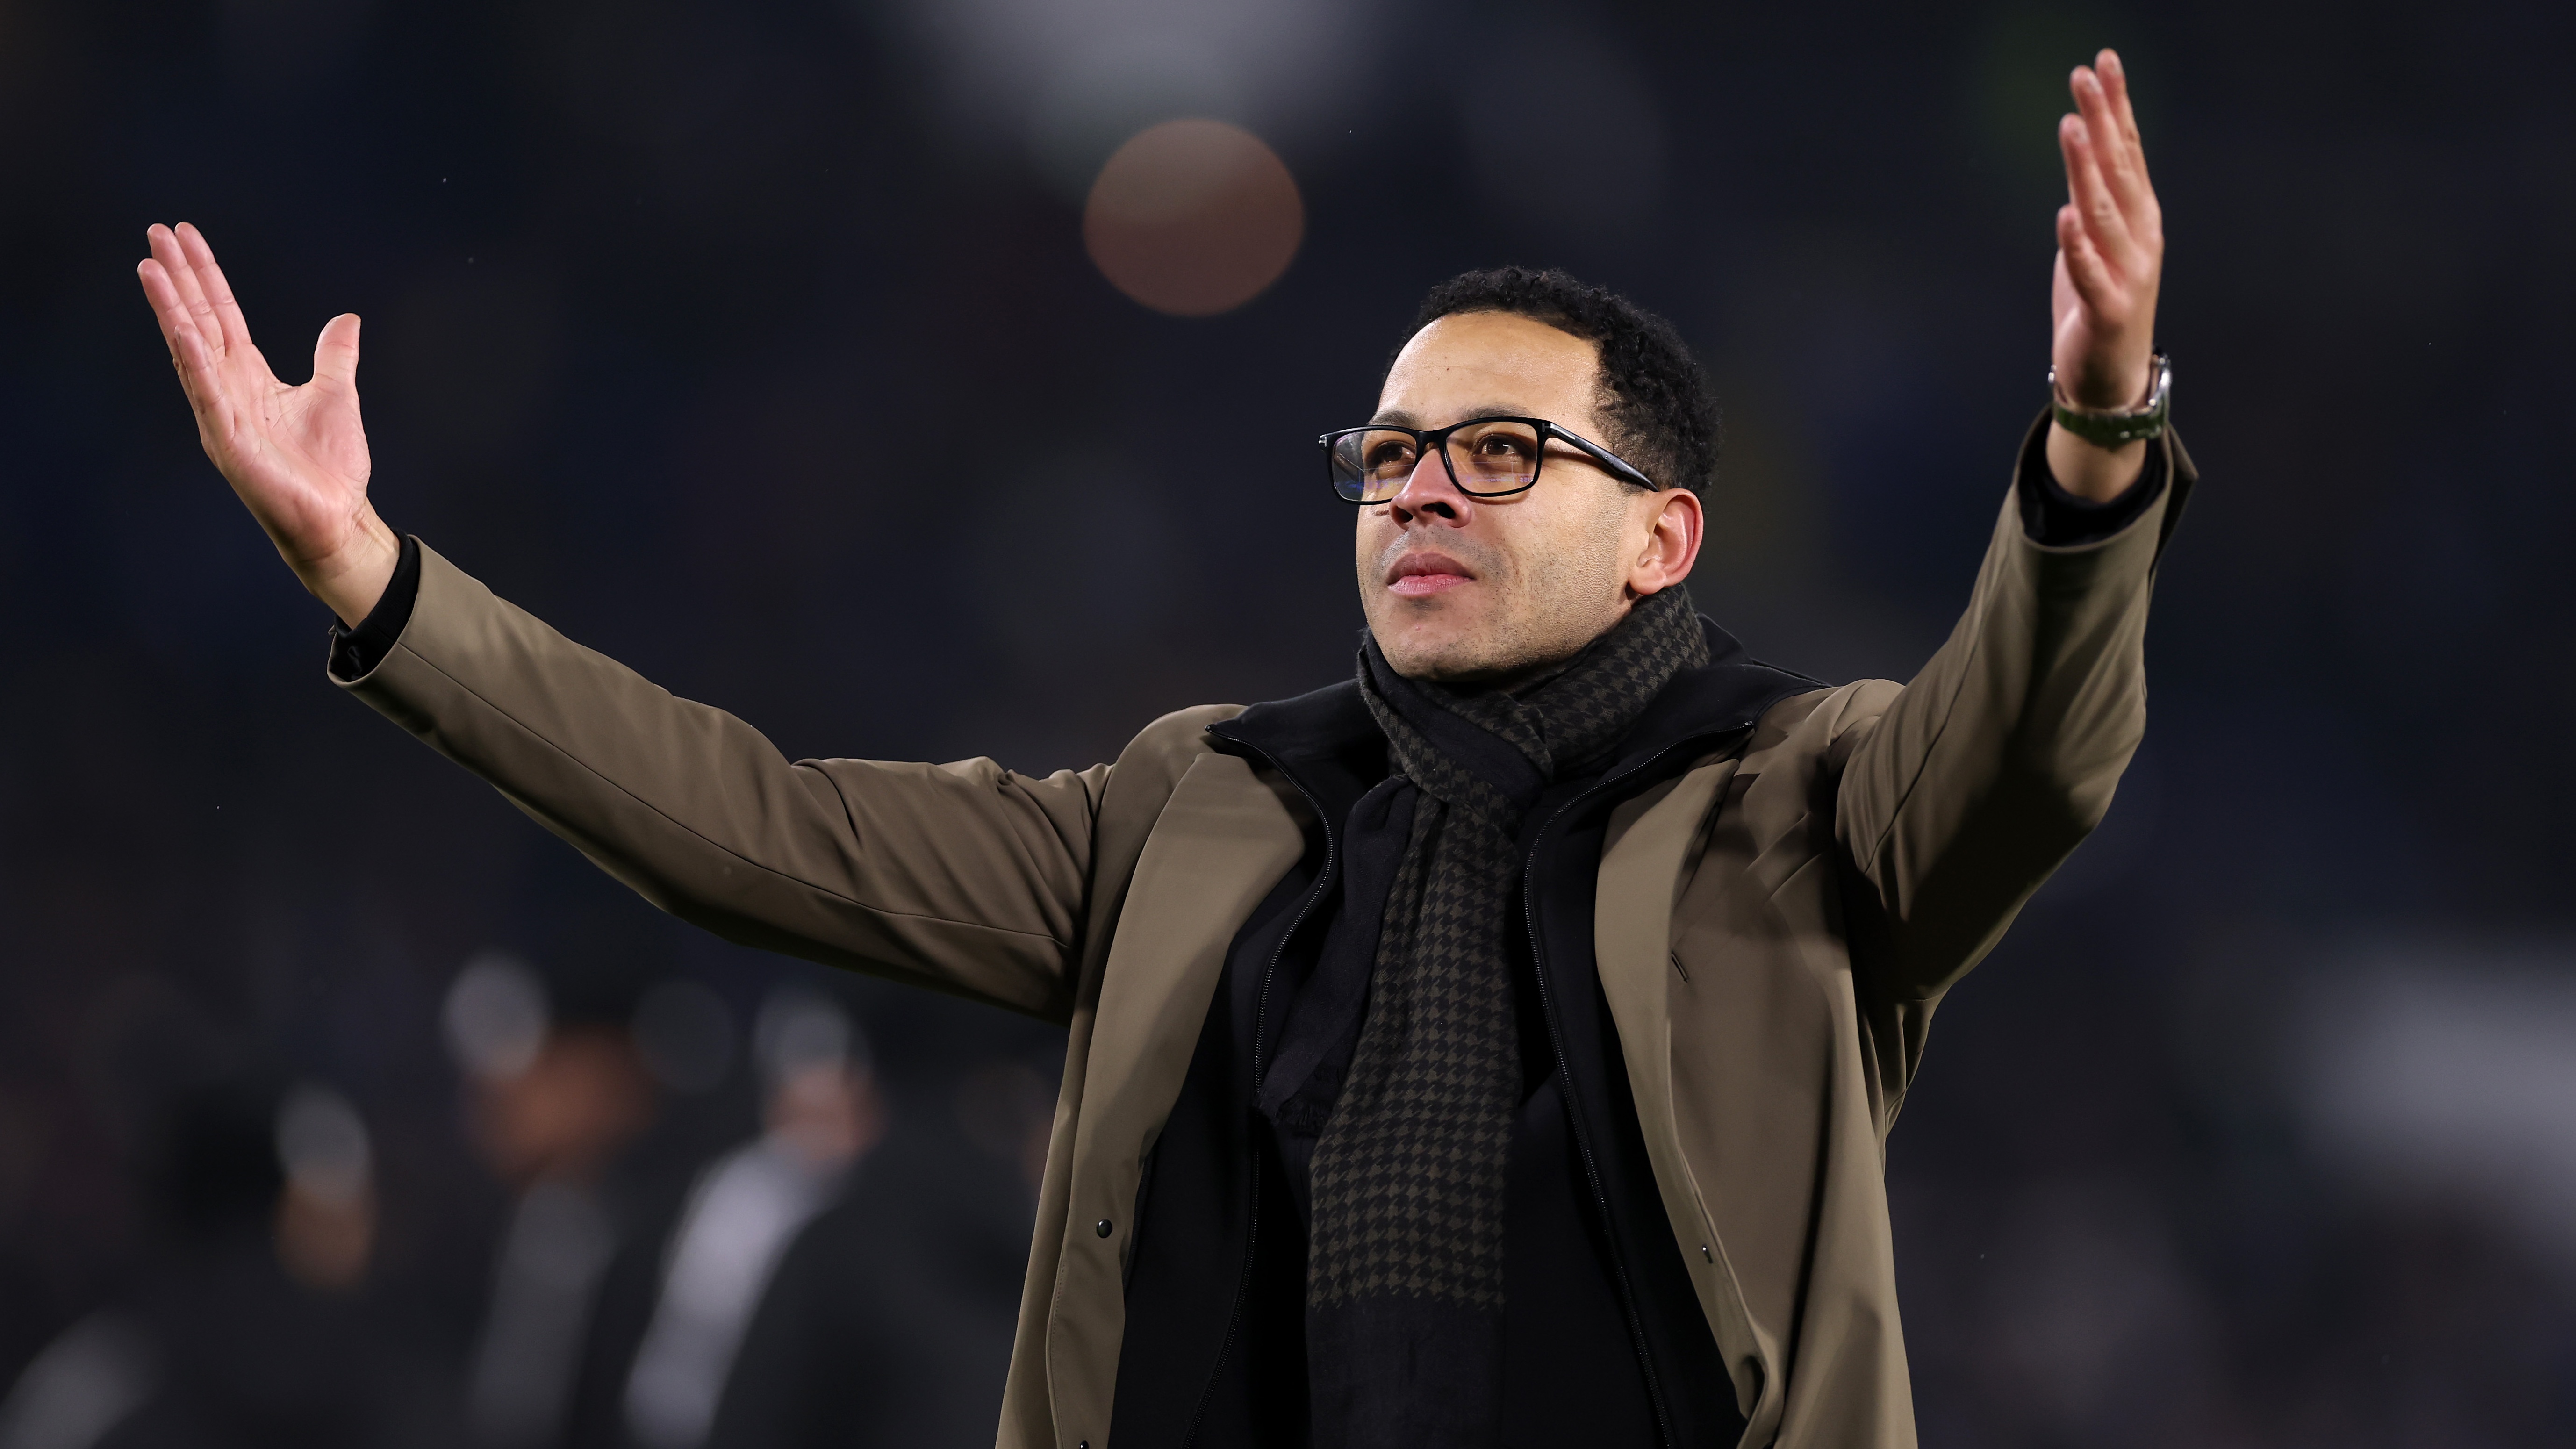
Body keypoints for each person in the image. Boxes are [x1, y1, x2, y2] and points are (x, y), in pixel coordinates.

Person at [134, 49, 2185, 1449]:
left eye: (1496, 453)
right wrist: (384, 581)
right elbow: (745, 827)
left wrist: (2095, 440)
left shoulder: (1799, 798)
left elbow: (2024, 751)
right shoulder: (1200, 803)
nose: (1419, 495)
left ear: (1665, 539)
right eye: (1385, 456)